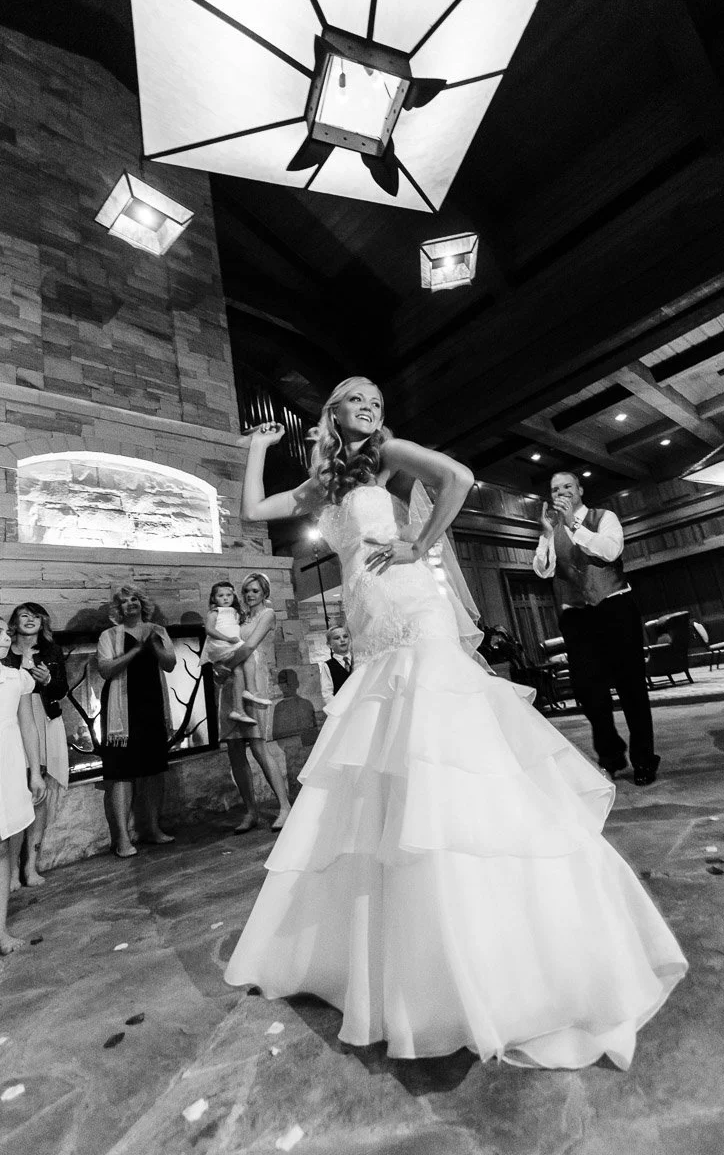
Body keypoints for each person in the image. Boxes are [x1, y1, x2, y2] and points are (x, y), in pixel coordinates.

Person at [224, 376, 687, 1071]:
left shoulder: (387, 453)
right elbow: (255, 506)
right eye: (358, 401)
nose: (372, 410)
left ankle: (481, 930)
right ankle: (402, 932)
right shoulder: (327, 478)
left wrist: (419, 547)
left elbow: (461, 480)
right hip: (367, 616)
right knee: (390, 758)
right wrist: (256, 448)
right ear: (332, 414)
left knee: (440, 742)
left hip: (411, 606)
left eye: (378, 402)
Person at [533, 471, 657, 786]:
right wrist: (548, 535)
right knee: (590, 692)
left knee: (632, 688)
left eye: (567, 487)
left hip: (615, 609)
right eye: (555, 489)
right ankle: (611, 755)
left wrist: (575, 525)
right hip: (577, 616)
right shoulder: (552, 528)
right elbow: (544, 570)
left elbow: (610, 551)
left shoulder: (604, 517)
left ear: (580, 490)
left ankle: (644, 760)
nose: (561, 493)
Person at [97, 585, 177, 857]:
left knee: (154, 771)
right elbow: (106, 669)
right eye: (123, 602)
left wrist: (152, 643)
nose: (130, 604)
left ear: (142, 603)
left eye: (134, 599)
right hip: (120, 712)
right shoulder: (109, 635)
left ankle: (152, 829)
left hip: (152, 706)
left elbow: (169, 664)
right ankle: (122, 839)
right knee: (121, 774)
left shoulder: (158, 630)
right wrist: (135, 651)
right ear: (118, 610)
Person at [216, 573, 291, 834]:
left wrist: (225, 666)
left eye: (255, 591)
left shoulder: (266, 614)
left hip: (252, 681)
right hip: (229, 684)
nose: (249, 595)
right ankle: (251, 811)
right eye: (246, 590)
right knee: (235, 749)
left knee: (258, 746)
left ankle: (284, 807)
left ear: (264, 593)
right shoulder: (237, 616)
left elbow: (248, 647)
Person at [2, 603, 70, 889]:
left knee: (39, 790)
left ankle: (30, 866)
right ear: (13, 625)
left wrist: (49, 681)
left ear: (43, 622)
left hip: (44, 721)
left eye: (36, 615)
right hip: (13, 726)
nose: (30, 620)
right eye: (24, 616)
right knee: (17, 792)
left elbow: (60, 692)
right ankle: (11, 870)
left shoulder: (51, 652)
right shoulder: (4, 652)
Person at [0, 616, 46, 955]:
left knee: (2, 849)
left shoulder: (17, 678)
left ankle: (0, 934)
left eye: (6, 631)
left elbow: (28, 726)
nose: (6, 636)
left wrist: (34, 772)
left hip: (9, 769)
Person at [201, 580, 272, 725]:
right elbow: (210, 630)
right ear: (214, 598)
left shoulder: (239, 613)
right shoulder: (218, 613)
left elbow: (248, 643)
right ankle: (247, 696)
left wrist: (227, 667)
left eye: (229, 595)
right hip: (224, 647)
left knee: (239, 671)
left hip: (235, 655)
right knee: (247, 657)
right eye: (221, 595)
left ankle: (240, 706)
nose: (226, 598)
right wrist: (227, 640)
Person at [318, 624, 353, 707]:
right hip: (343, 708)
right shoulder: (328, 666)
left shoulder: (358, 659)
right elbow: (327, 693)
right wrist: (338, 708)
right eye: (337, 638)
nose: (342, 640)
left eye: (345, 636)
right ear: (329, 644)